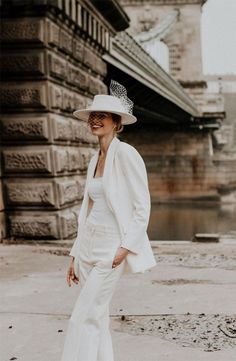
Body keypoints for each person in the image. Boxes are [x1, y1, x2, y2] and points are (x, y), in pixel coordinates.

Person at [60, 80, 157, 361]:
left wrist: (125, 248)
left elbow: (142, 206)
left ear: (117, 123)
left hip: (110, 251)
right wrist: (75, 254)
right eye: (93, 115)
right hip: (88, 248)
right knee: (98, 319)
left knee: (83, 318)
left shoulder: (127, 154)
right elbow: (87, 211)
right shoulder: (94, 159)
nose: (95, 119)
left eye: (102, 115)